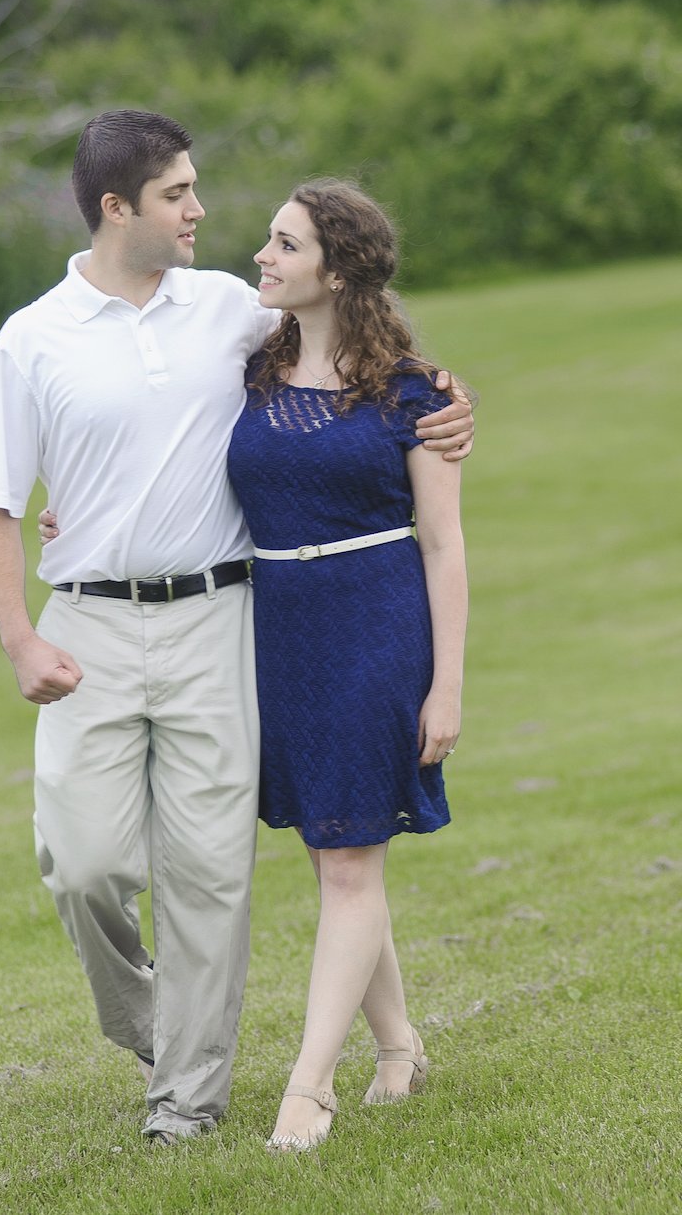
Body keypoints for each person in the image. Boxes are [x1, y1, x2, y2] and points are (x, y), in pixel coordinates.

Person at [0, 110, 474, 1147]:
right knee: (88, 861)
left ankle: (202, 1098)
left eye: (199, 189)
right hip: (114, 624)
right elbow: (0, 497)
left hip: (229, 618)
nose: (205, 211)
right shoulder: (35, 336)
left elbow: (370, 355)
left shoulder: (232, 312)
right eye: (179, 193)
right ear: (119, 207)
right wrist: (27, 624)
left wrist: (454, 399)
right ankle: (164, 1026)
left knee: (238, 867)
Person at [225, 179, 468, 1152]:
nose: (262, 256)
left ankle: (308, 1087)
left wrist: (446, 683)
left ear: (337, 266)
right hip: (278, 624)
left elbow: (445, 544)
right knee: (335, 849)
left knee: (351, 858)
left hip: (377, 622)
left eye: (284, 244)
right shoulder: (250, 365)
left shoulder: (414, 393)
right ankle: (401, 1043)